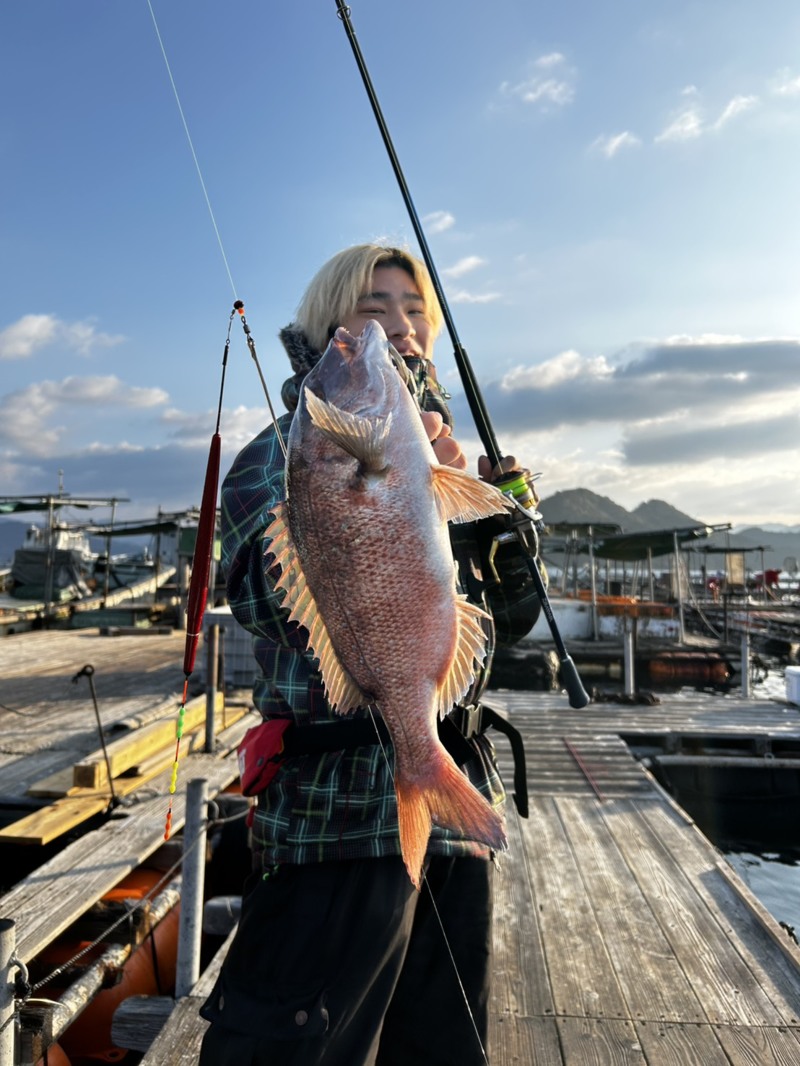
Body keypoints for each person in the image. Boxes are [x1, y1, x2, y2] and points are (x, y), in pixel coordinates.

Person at [199, 244, 542, 1065]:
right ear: (326, 330)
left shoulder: (449, 457)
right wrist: (360, 505)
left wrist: (495, 518)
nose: (399, 323)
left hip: (452, 813)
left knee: (441, 1051)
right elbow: (262, 596)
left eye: (413, 306)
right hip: (336, 822)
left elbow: (513, 623)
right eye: (371, 307)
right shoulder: (286, 451)